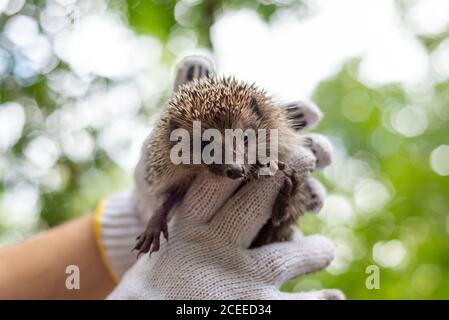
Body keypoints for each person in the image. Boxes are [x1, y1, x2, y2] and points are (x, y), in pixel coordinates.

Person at [0, 56, 344, 300]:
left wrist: (128, 229)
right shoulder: (177, 158)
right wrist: (152, 222)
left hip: (258, 232)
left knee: (288, 182)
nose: (231, 162)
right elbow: (173, 191)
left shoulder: (269, 135)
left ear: (256, 120)